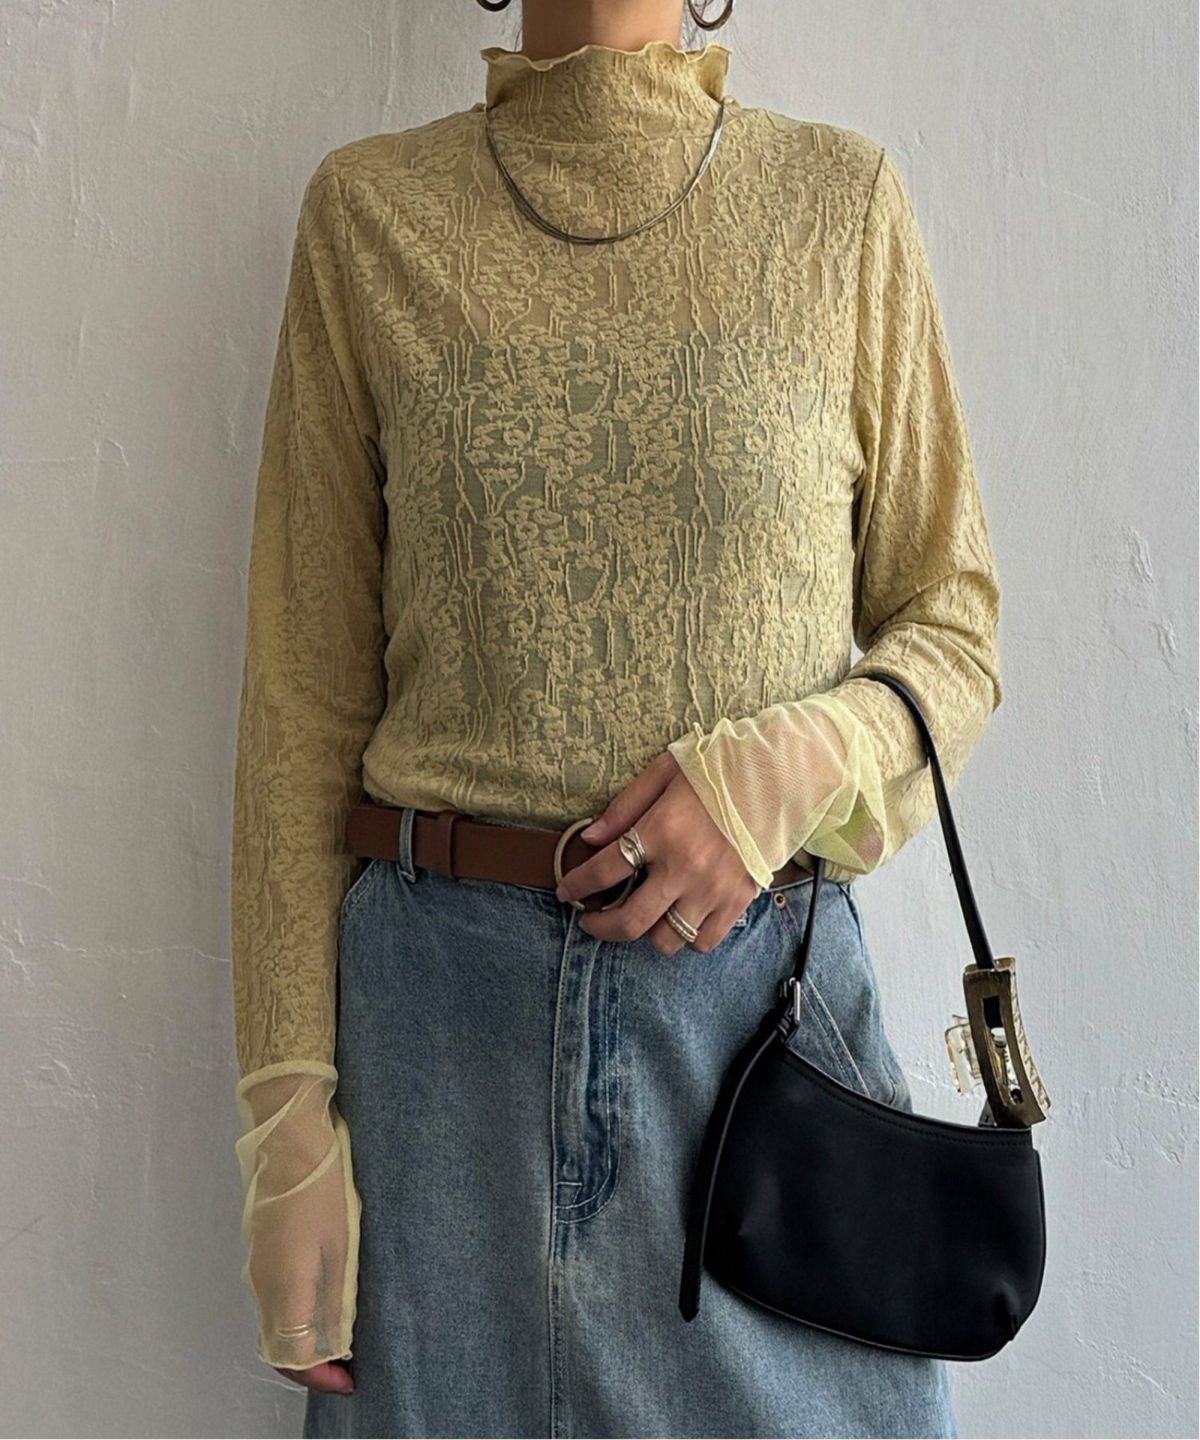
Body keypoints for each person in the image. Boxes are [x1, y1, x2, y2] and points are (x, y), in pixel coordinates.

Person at [229, 0, 1002, 1434]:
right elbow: (303, 701)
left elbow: (952, 622)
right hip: (434, 1064)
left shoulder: (837, 205)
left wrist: (787, 767)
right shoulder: (370, 217)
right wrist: (284, 1112)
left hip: (758, 1056)